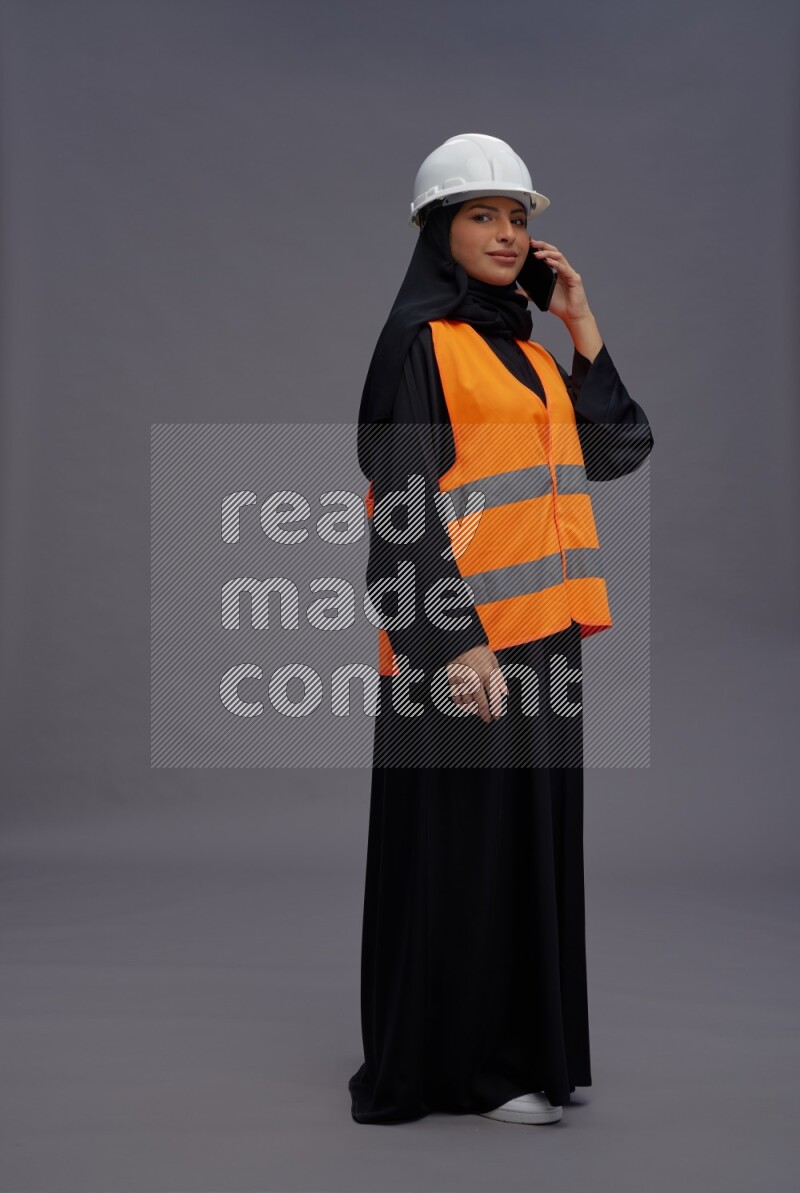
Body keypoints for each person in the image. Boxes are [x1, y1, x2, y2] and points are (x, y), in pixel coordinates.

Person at [348, 133, 653, 1125]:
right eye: (482, 215)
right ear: (438, 230)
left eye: (517, 218)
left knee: (525, 845)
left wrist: (580, 324)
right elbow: (400, 510)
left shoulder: (526, 352)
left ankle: (525, 1053)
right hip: (459, 643)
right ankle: (463, 1069)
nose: (507, 234)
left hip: (541, 638)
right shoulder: (419, 345)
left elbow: (617, 451)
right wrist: (454, 644)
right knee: (464, 853)